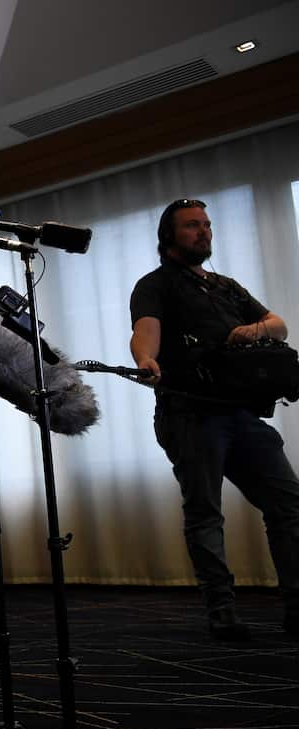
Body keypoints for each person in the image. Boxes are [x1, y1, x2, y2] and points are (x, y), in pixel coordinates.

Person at [130, 198, 299, 640]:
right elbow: (145, 333)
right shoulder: (155, 285)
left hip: (242, 414)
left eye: (206, 225)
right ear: (169, 237)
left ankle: (297, 607)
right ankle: (222, 613)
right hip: (189, 414)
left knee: (288, 506)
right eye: (191, 226)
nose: (203, 232)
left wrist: (256, 329)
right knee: (205, 514)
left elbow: (278, 324)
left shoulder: (226, 287)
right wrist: (146, 360)